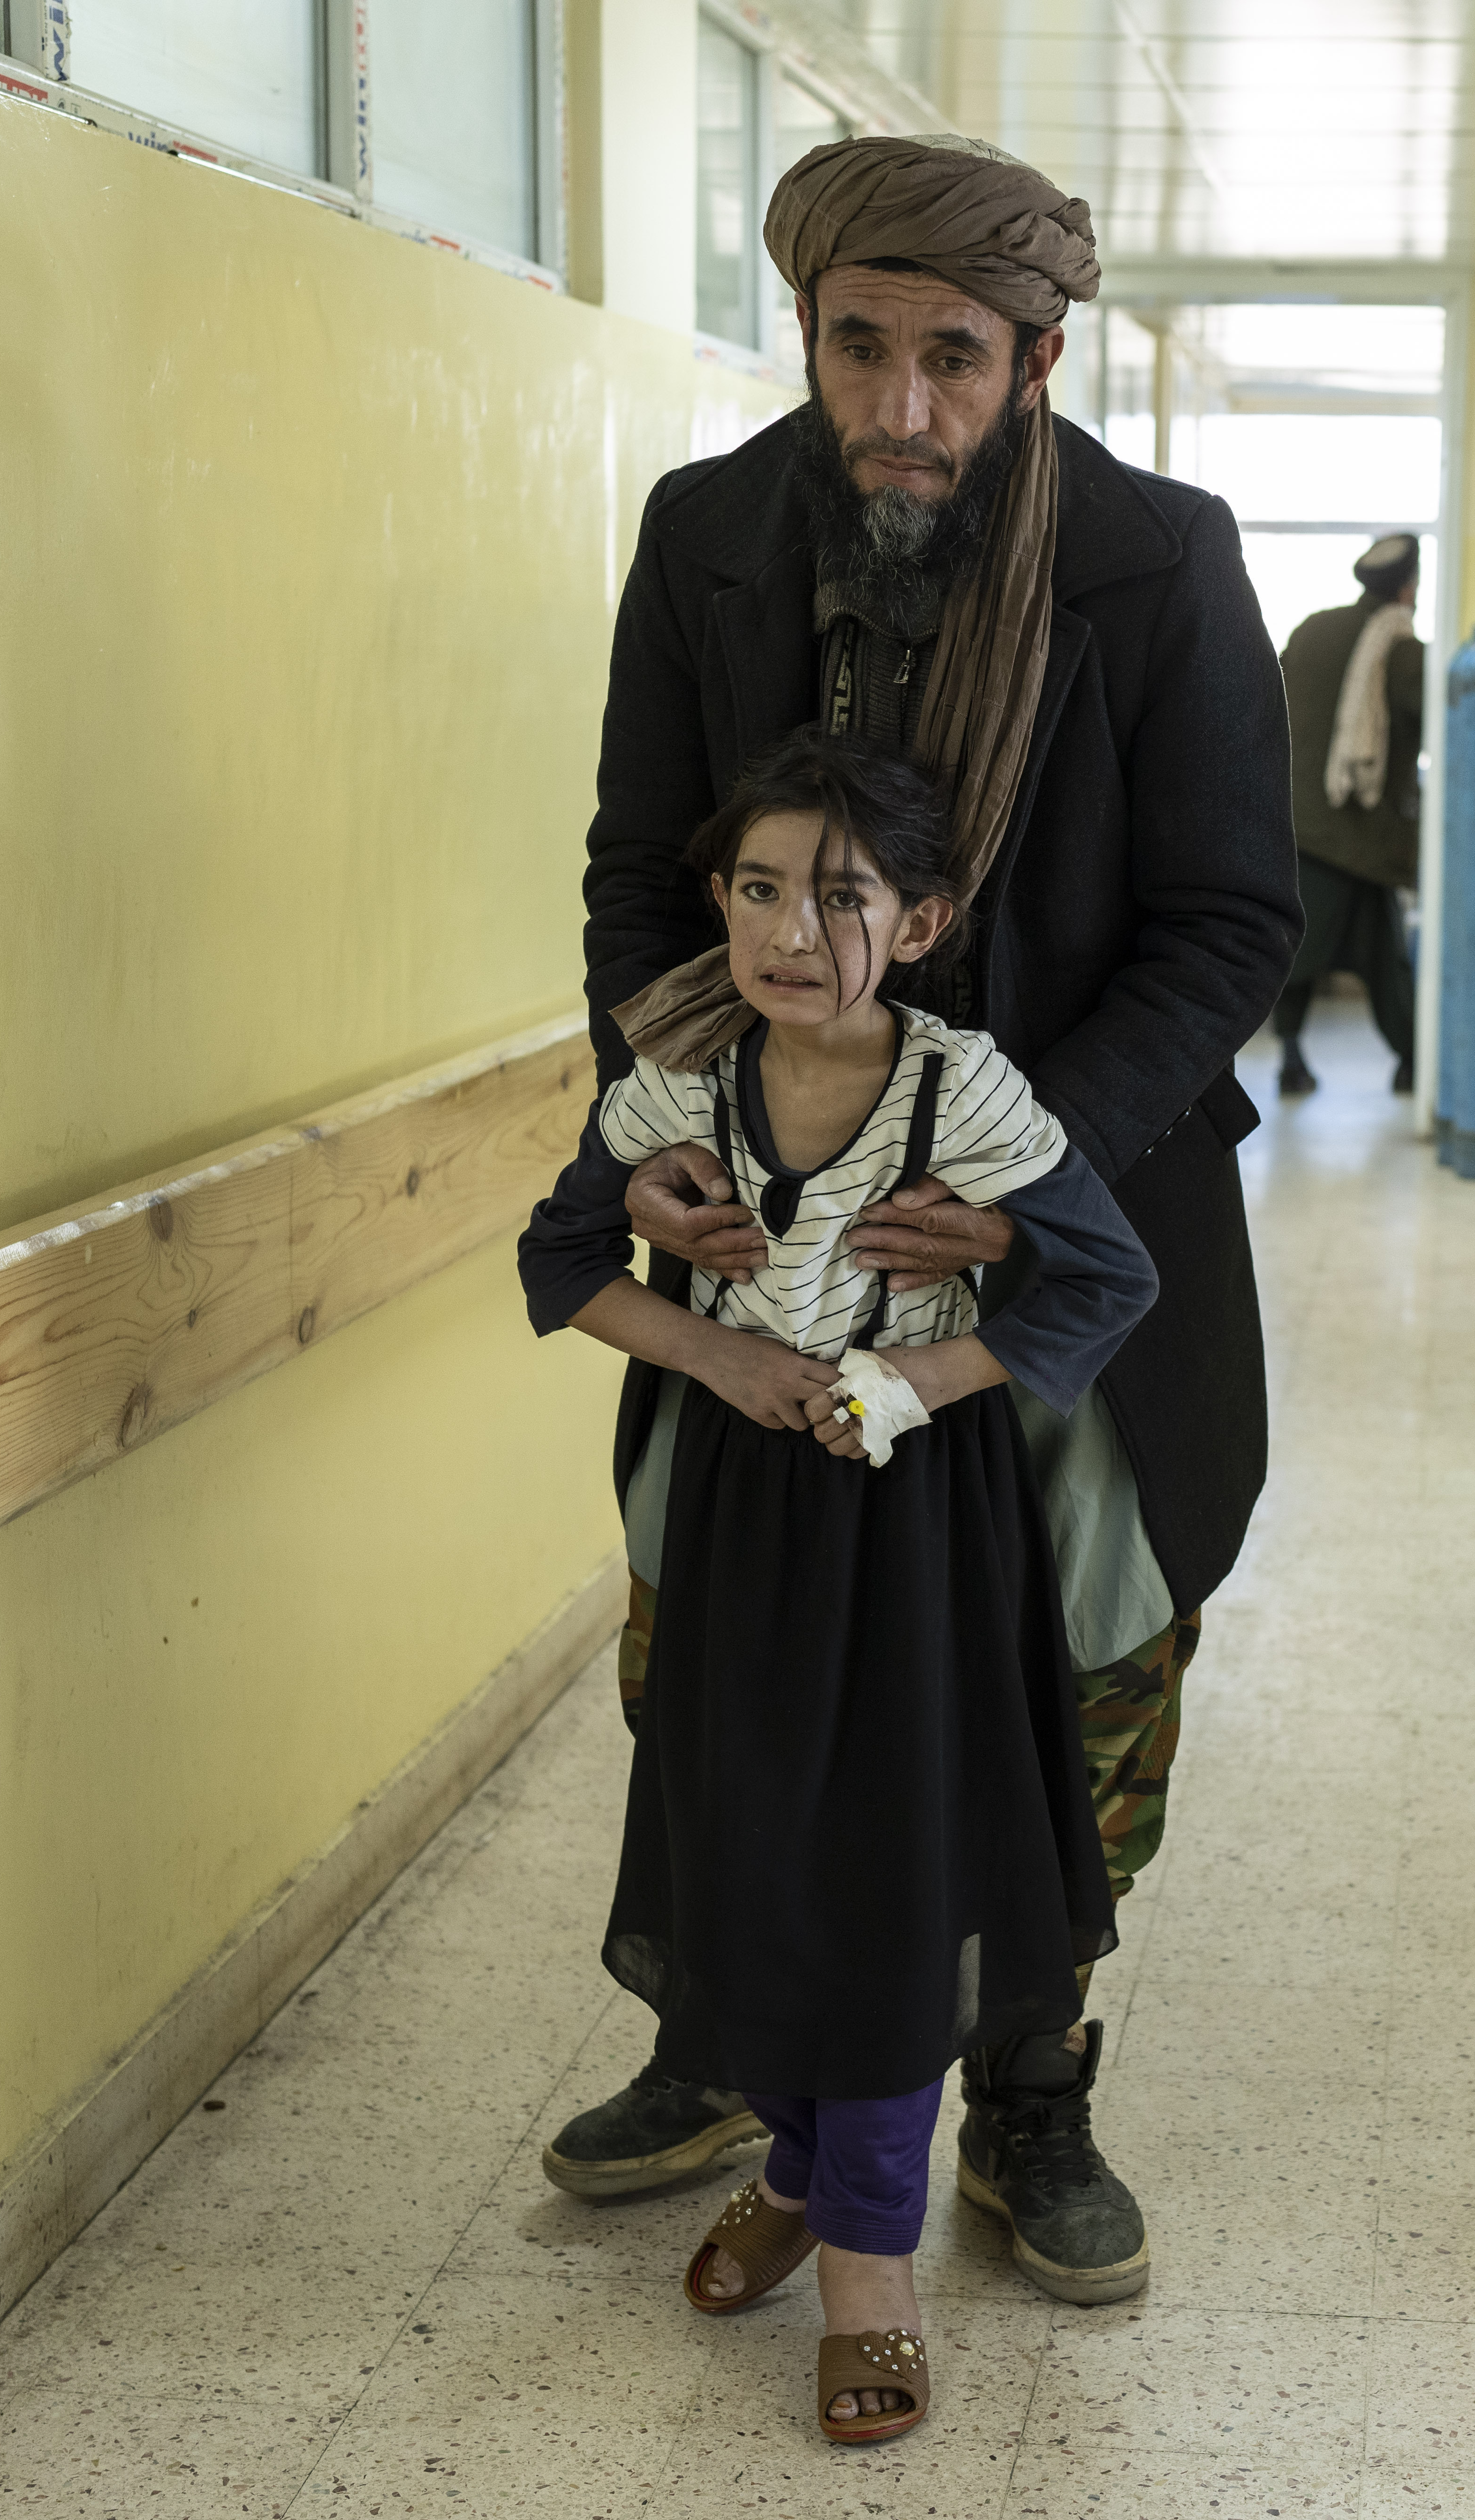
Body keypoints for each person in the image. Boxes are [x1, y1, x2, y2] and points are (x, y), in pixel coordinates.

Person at [540, 132, 1296, 2310]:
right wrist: (700, 1121)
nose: (900, 402)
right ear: (807, 330)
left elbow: (1224, 918)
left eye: (950, 357)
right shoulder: (709, 542)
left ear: (1036, 359)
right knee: (728, 1628)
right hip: (763, 1230)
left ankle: (1034, 2082)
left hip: (1060, 1241)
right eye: (857, 345)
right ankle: (722, 2034)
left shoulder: (1154, 562)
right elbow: (634, 875)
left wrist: (1001, 1161)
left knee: (1079, 1648)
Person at [518, 731, 1160, 2442]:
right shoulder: (676, 1084)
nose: (790, 930)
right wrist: (718, 1367)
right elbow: (561, 1258)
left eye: (841, 895)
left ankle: (870, 2257)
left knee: (885, 1880)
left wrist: (915, 1383)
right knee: (755, 1857)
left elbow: (1105, 1278)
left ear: (927, 918)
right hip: (744, 1522)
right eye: (754, 889)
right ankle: (801, 2170)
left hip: (916, 1529)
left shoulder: (969, 1095)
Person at [1270, 532, 1426, 1096]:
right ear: (1409, 588)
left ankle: (1290, 1055)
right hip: (1361, 838)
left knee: (1295, 952)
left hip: (1298, 827)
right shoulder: (1406, 654)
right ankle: (1413, 1063)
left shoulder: (1313, 629)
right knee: (1385, 959)